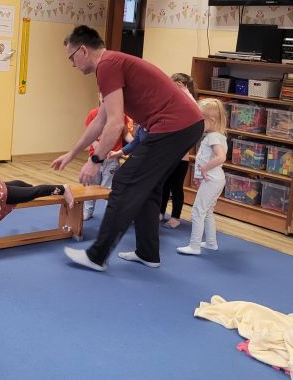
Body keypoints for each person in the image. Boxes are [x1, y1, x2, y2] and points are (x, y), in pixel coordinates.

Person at [53, 25, 204, 271]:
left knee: (124, 180)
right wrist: (72, 153)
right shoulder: (111, 64)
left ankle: (96, 256)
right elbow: (101, 120)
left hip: (174, 126)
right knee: (149, 187)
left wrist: (95, 160)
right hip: (186, 125)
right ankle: (147, 253)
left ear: (83, 51)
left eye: (71, 57)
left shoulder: (107, 65)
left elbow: (115, 124)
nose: (72, 64)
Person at [177, 98, 227, 255]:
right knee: (207, 211)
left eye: (201, 120)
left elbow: (221, 157)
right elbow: (208, 157)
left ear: (211, 120)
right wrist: (201, 173)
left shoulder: (213, 137)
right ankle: (211, 242)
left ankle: (194, 246)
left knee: (198, 211)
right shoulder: (219, 135)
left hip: (212, 179)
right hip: (216, 178)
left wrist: (204, 169)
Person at [82, 98, 132, 221]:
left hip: (112, 158)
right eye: (102, 95)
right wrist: (95, 144)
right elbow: (89, 133)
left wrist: (135, 142)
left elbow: (125, 133)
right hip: (95, 158)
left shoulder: (121, 115)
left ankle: (108, 214)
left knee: (108, 188)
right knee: (91, 185)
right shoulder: (94, 113)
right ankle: (87, 211)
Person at [161, 73, 198, 229]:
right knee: (164, 184)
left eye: (178, 86)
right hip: (167, 154)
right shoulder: (172, 102)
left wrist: (186, 91)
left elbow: (194, 108)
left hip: (181, 157)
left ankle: (175, 217)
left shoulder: (190, 104)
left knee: (176, 187)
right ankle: (160, 212)